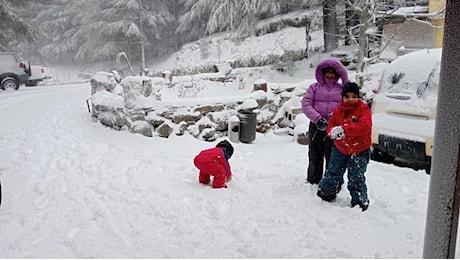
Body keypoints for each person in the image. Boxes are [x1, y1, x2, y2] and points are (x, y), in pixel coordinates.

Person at [316, 82, 372, 211]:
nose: (350, 99)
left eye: (354, 96)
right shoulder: (338, 111)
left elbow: (364, 127)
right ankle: (326, 192)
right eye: (347, 96)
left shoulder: (363, 110)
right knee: (333, 171)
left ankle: (359, 201)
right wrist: (332, 133)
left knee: (356, 176)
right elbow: (330, 126)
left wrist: (345, 129)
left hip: (359, 149)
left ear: (358, 97)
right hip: (340, 148)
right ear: (342, 97)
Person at [301, 57, 349, 184]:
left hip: (334, 126)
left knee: (332, 154)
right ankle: (313, 179)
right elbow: (306, 104)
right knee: (315, 152)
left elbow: (348, 106)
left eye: (333, 72)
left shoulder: (342, 89)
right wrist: (317, 118)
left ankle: (331, 179)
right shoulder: (314, 87)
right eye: (327, 72)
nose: (330, 75)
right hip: (317, 125)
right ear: (322, 72)